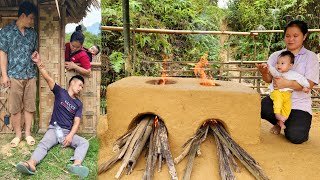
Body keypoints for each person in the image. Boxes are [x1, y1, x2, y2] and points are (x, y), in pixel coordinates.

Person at [16, 51, 90, 178]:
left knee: (84, 143)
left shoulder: (79, 104)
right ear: (72, 83)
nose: (80, 88)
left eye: (82, 87)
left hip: (67, 132)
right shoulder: (60, 92)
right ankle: (31, 164)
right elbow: (47, 77)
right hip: (54, 129)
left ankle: (76, 165)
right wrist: (39, 63)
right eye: (80, 85)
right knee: (44, 144)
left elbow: (76, 122)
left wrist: (70, 136)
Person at [256, 20, 319, 144]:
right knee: (260, 107)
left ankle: (285, 124)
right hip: (277, 99)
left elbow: (310, 84)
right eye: (288, 36)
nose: (291, 39)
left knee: (297, 137)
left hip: (299, 104)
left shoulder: (310, 57)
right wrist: (264, 72)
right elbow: (268, 79)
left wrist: (286, 84)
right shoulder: (276, 56)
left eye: (295, 36)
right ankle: (280, 121)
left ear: (304, 36)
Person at [0, 1, 38, 147]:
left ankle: (27, 134)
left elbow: (33, 52)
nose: (32, 21)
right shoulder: (6, 32)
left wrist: (35, 56)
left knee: (29, 106)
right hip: (14, 75)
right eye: (31, 18)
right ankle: (17, 135)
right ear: (23, 15)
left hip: (30, 75)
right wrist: (4, 75)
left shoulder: (32, 33)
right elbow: (2, 54)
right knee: (15, 107)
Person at [262, 50, 310, 130]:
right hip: (277, 92)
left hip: (287, 95)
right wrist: (266, 66)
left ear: (290, 65)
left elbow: (302, 79)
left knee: (287, 106)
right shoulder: (277, 72)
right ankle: (277, 114)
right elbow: (271, 69)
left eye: (282, 63)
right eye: (277, 63)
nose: (278, 65)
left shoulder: (293, 74)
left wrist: (306, 86)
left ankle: (281, 121)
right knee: (278, 101)